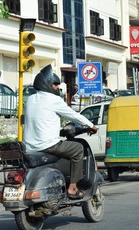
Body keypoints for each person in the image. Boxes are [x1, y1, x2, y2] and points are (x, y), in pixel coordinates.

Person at [23, 64, 98, 199]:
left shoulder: (30, 99)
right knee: (78, 149)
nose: (58, 87)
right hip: (48, 145)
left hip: (29, 147)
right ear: (47, 84)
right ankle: (73, 187)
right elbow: (73, 115)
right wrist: (91, 125)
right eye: (55, 84)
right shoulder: (54, 100)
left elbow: (42, 120)